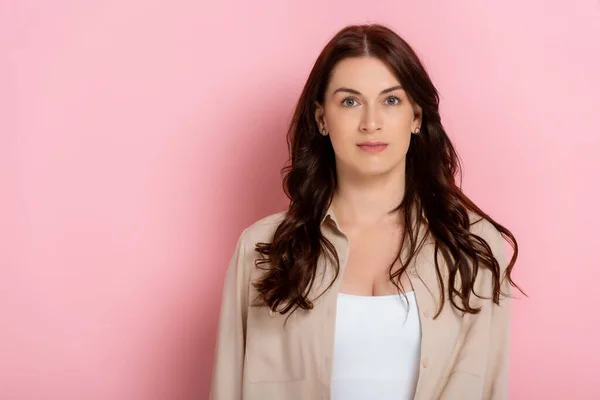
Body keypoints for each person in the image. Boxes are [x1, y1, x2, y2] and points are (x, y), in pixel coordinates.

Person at [209, 23, 522, 400]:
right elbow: (228, 388)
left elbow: (489, 388)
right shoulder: (262, 251)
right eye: (350, 101)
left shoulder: (473, 249)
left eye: (391, 100)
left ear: (417, 117)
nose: (371, 122)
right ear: (322, 118)